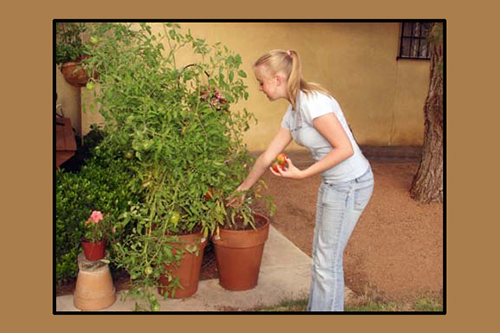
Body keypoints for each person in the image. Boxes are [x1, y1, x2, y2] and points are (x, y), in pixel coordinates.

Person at [228, 49, 374, 311]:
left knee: (326, 261)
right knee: (323, 259)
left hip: (351, 184)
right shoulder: (293, 112)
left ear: (278, 79)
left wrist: (303, 174)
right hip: (334, 184)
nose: (260, 88)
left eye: (261, 82)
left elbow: (345, 148)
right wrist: (242, 189)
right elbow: (267, 157)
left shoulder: (313, 103)